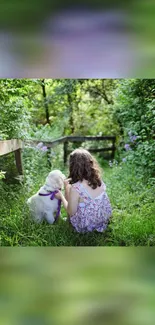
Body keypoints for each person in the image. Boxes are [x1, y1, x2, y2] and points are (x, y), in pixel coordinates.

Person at [55, 148, 112, 233]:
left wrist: (62, 196)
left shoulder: (76, 188)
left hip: (85, 227)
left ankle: (70, 225)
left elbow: (71, 212)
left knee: (73, 207)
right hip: (102, 221)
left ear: (73, 166)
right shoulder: (98, 181)